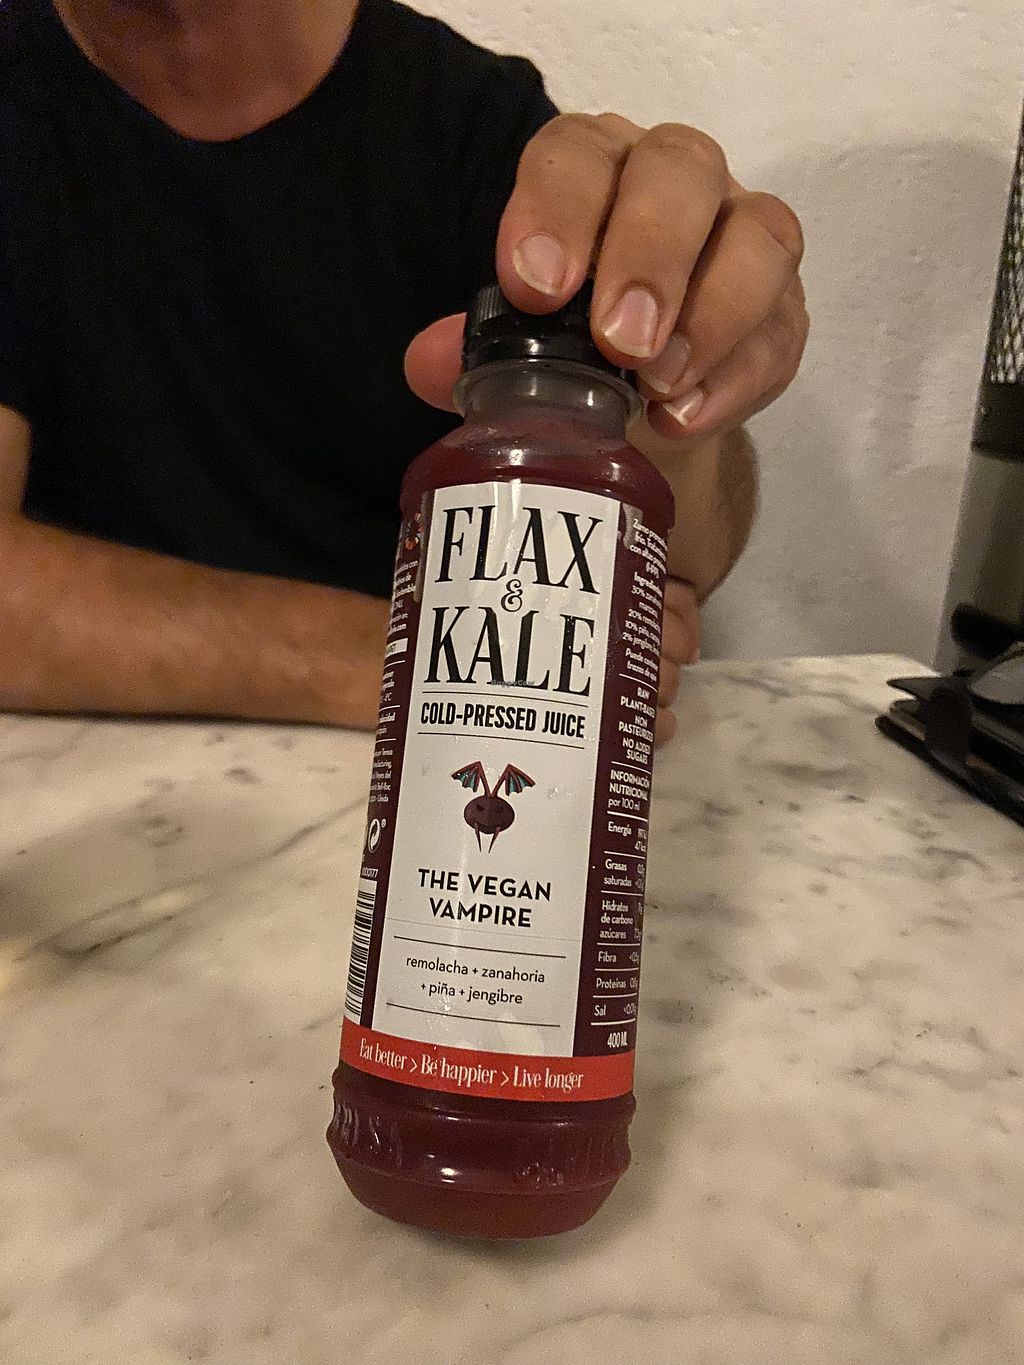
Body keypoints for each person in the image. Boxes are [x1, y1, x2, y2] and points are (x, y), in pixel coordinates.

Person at [0, 0, 808, 744]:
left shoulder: (473, 124)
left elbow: (680, 564)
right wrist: (400, 654)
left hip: (464, 764)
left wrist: (670, 393)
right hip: (99, 788)